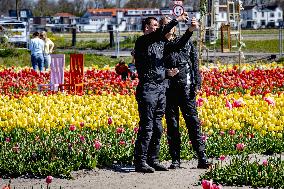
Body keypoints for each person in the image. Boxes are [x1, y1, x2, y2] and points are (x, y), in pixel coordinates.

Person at [133, 14, 189, 173]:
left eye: (158, 25)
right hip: (148, 89)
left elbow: (177, 45)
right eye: (155, 25)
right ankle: (140, 161)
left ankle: (153, 159)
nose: (158, 28)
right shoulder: (142, 42)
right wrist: (176, 20)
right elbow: (147, 71)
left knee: (158, 127)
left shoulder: (160, 44)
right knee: (147, 127)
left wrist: (189, 31)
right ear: (147, 28)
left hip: (160, 89)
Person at [161, 16, 211, 169]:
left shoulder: (187, 43)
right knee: (173, 125)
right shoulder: (160, 45)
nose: (169, 28)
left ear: (175, 28)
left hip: (186, 89)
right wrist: (165, 72)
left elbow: (194, 63)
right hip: (168, 90)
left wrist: (197, 82)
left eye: (171, 25)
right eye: (165, 25)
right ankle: (176, 159)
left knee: (193, 123)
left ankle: (201, 157)